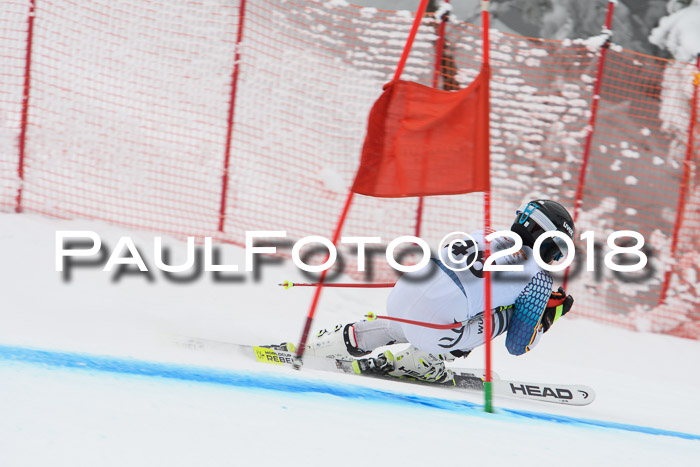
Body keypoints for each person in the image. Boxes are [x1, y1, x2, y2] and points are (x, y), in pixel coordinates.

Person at [305, 199, 576, 383]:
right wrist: (545, 317)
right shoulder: (538, 279)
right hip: (439, 330)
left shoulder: (487, 232)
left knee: (427, 313)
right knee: (505, 313)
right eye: (558, 251)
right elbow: (517, 346)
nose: (553, 259)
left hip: (400, 297)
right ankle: (421, 360)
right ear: (549, 241)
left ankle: (348, 338)